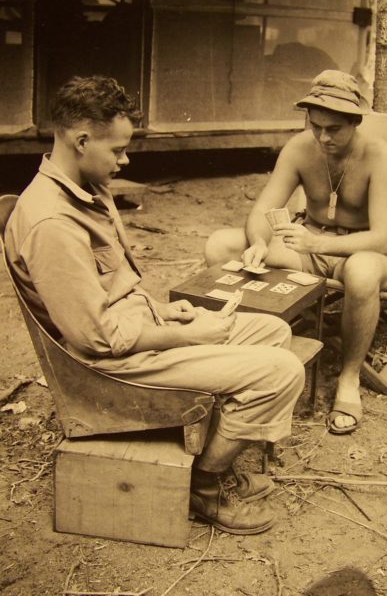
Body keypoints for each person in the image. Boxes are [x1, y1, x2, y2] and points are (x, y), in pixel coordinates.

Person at [5, 76, 305, 535]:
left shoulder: (86, 190)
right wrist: (187, 335)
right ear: (82, 140)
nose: (125, 160)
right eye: (118, 150)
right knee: (283, 372)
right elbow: (97, 339)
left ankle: (215, 453)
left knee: (273, 333)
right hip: (104, 369)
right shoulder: (52, 222)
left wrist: (164, 313)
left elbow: (112, 289)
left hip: (136, 334)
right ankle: (203, 486)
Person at [205, 70, 387, 435]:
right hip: (309, 242)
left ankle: (348, 378)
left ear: (355, 122)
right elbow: (264, 209)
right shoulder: (299, 148)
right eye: (316, 125)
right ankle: (234, 355)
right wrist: (259, 242)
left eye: (335, 129)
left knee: (361, 272)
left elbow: (382, 239)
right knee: (220, 244)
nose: (324, 137)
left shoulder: (379, 156)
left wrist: (320, 244)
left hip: (362, 251)